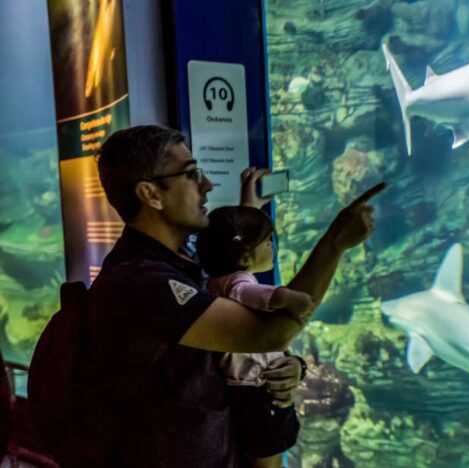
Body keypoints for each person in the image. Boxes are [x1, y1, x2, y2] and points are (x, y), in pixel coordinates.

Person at [72, 125, 384, 467]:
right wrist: (335, 243)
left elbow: (237, 311)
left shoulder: (178, 261)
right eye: (191, 174)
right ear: (151, 194)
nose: (207, 185)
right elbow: (268, 333)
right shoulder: (141, 282)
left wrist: (289, 367)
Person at [196, 204, 316, 468]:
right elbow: (248, 293)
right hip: (255, 384)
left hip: (239, 382)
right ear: (244, 256)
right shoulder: (239, 281)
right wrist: (289, 298)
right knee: (268, 447)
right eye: (267, 241)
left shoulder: (212, 281)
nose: (272, 246)